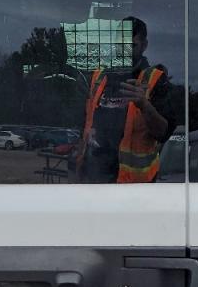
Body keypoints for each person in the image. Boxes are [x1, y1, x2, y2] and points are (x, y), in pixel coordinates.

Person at [75, 16, 178, 183]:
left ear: (144, 46)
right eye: (120, 43)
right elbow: (85, 126)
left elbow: (163, 132)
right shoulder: (98, 76)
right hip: (93, 179)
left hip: (134, 189)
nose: (124, 50)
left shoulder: (156, 80)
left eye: (131, 45)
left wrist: (144, 105)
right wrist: (78, 169)